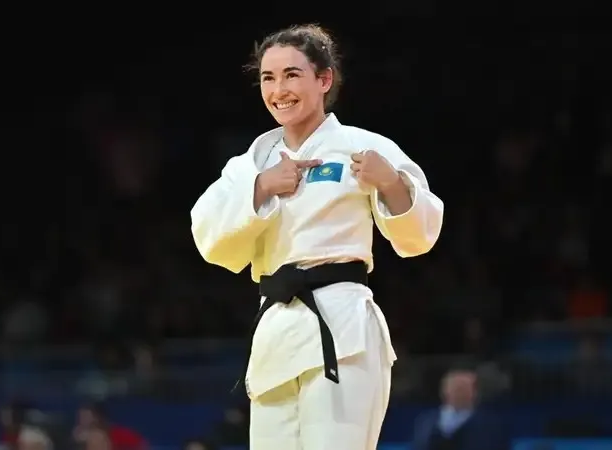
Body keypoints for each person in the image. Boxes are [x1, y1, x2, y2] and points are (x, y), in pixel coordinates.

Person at [190, 24, 444, 450]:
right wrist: (262, 187)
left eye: (292, 75)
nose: (279, 90)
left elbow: (420, 237)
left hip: (342, 328)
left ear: (324, 79)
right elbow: (209, 240)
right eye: (268, 78)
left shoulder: (361, 146)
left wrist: (391, 184)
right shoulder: (251, 164)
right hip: (275, 332)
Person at [412, 370, 508, 450]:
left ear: (474, 392)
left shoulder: (491, 424)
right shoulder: (426, 420)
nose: (460, 394)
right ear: (445, 391)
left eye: (464, 388)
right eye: (456, 388)